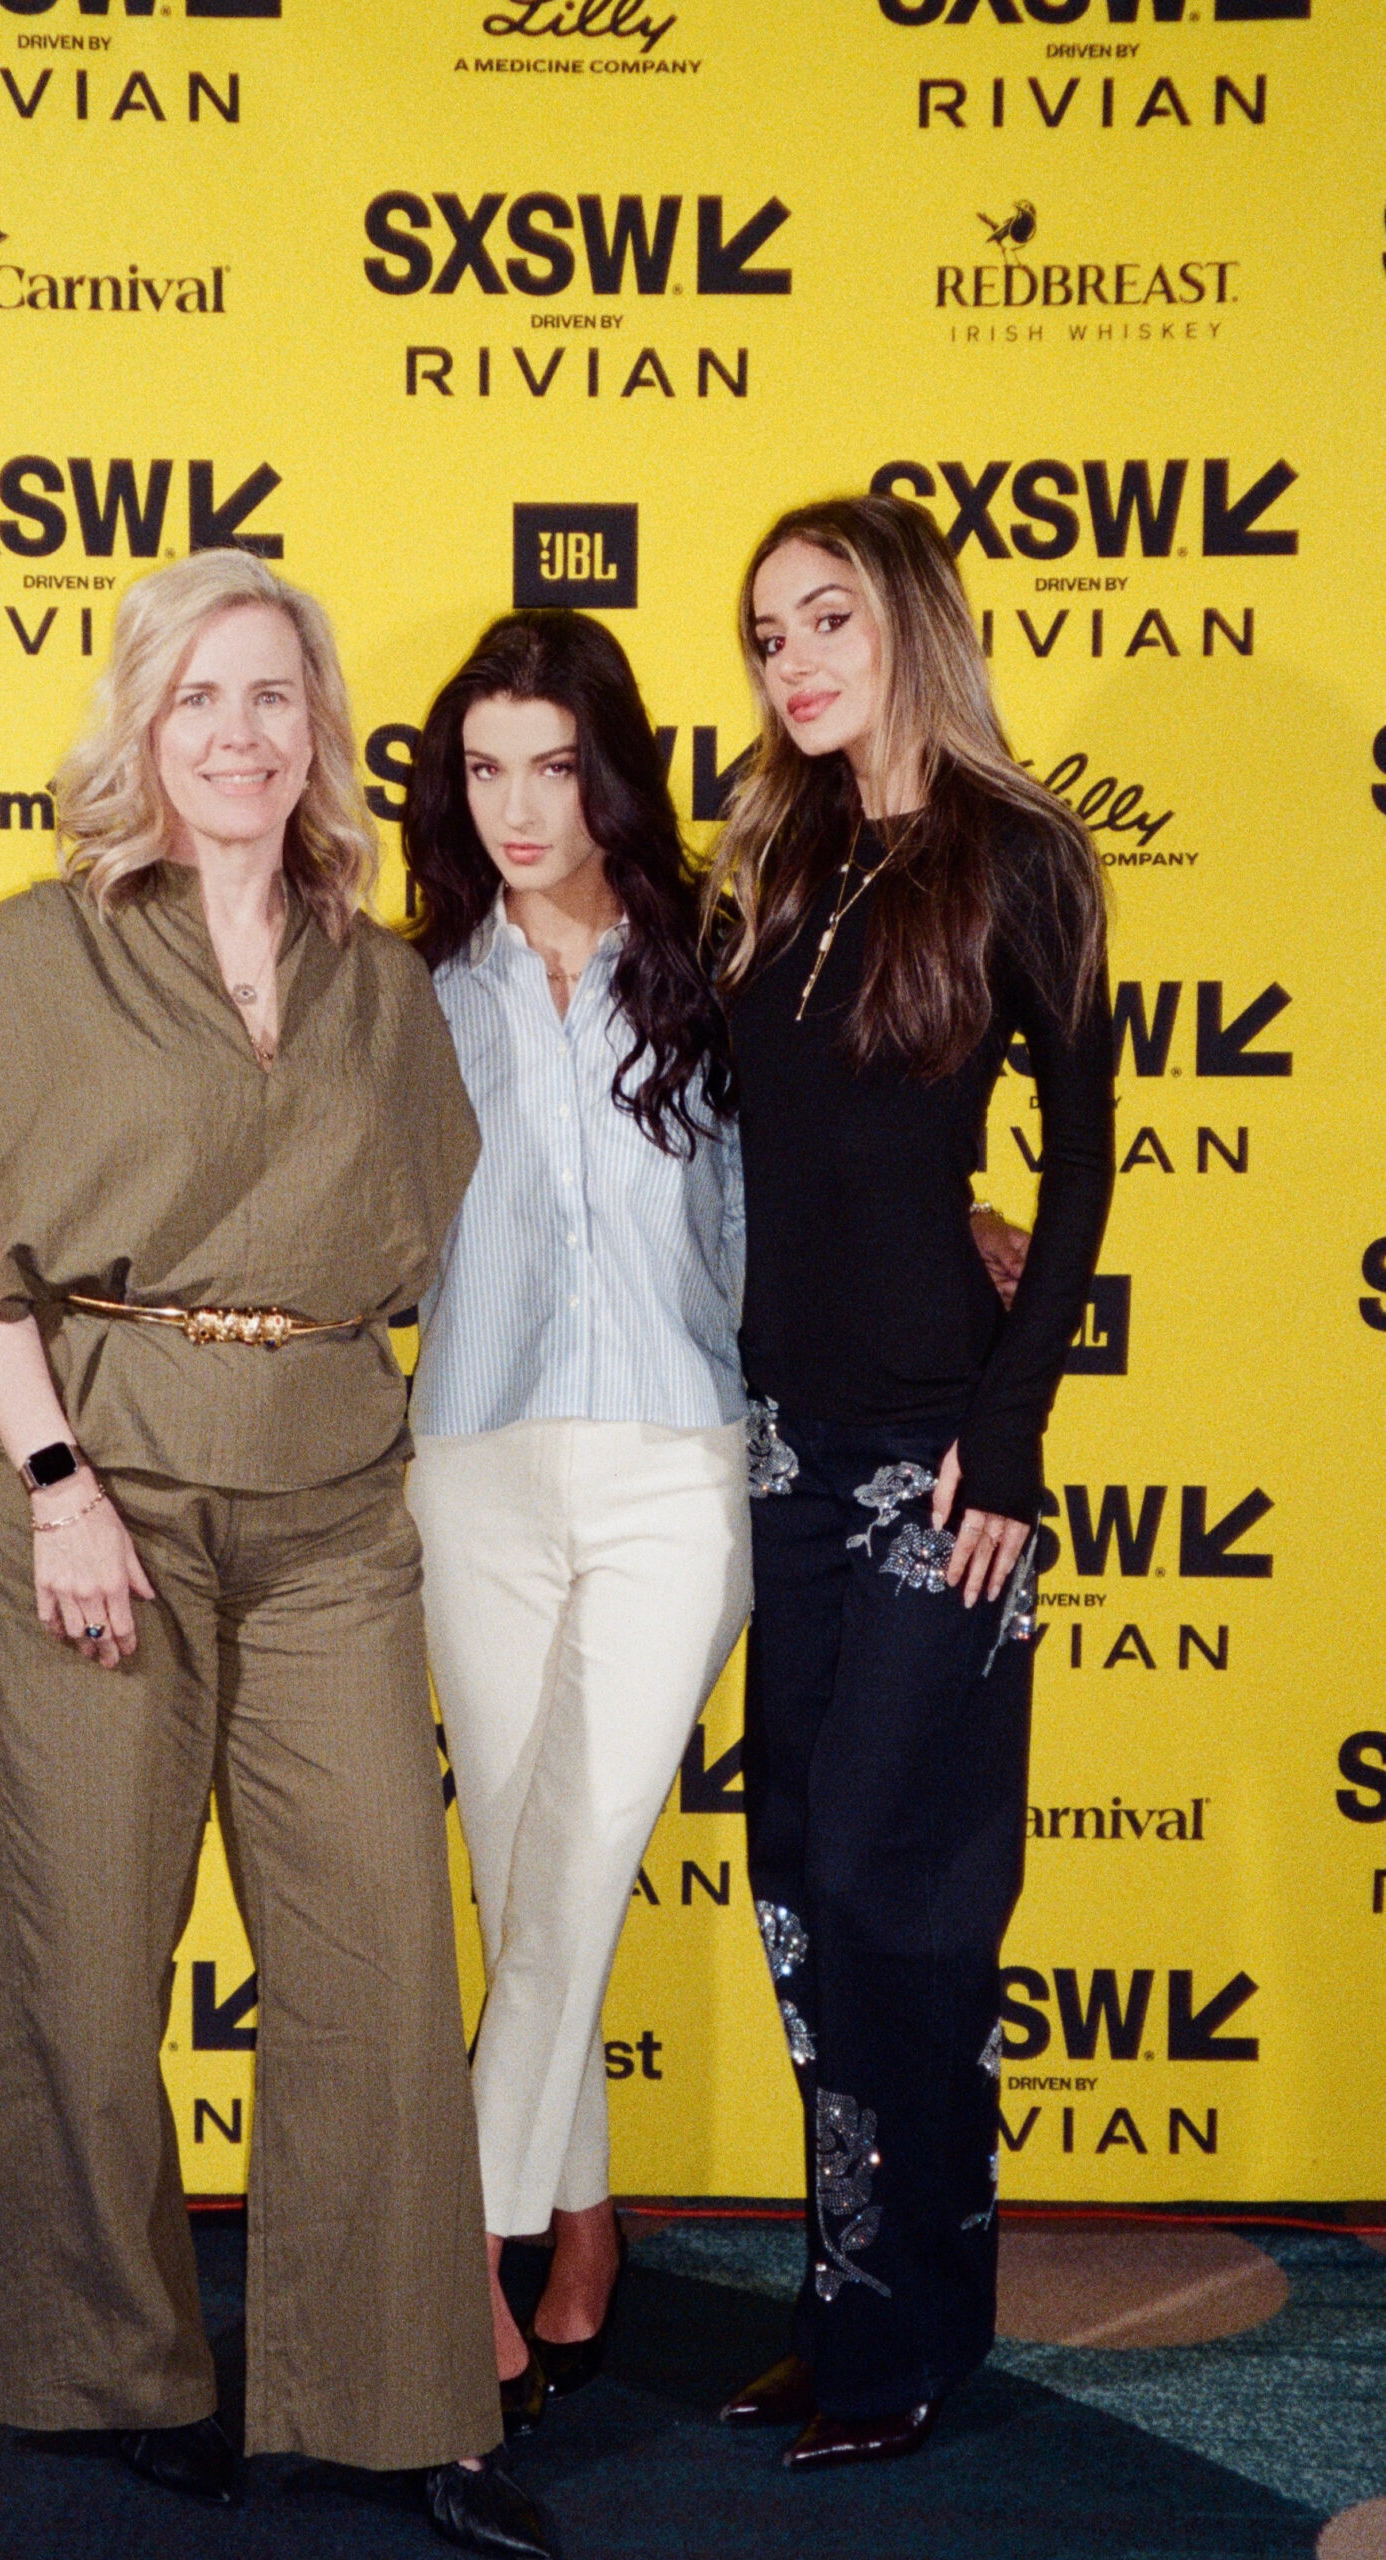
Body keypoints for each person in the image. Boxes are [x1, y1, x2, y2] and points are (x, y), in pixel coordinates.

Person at [0, 550, 553, 2559]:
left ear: (317, 732)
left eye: (275, 697)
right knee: (84, 1956)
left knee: (371, 1962)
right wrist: (61, 1484)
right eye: (201, 699)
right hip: (103, 1492)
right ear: (139, 727)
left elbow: (438, 1247)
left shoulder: (378, 978)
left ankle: (400, 2398)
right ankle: (123, 2365)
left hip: (333, 1502)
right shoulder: (30, 953)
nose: (241, 734)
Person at [706, 494, 1114, 2468]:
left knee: (899, 1890)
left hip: (937, 1466)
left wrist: (1014, 1431)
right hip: (778, 1450)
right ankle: (844, 2297)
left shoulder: (1010, 855)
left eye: (826, 618)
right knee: (797, 1880)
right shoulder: (774, 861)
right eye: (766, 633)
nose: (791, 660)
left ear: (911, 624)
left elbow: (1087, 1153)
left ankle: (916, 2328)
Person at [400, 610, 751, 2436]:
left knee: (570, 1864)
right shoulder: (412, 982)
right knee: (528, 1871)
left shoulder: (718, 956)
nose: (519, 805)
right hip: (468, 1461)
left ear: (609, 766)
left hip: (677, 1465)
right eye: (483, 767)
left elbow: (819, 1177)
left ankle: (448, 2261)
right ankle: (587, 2227)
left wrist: (965, 1225)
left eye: (554, 764)